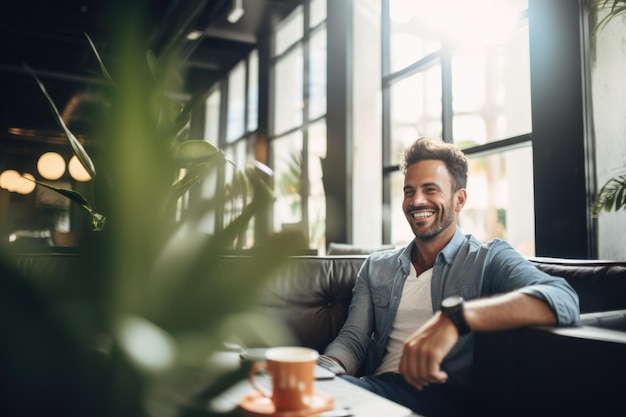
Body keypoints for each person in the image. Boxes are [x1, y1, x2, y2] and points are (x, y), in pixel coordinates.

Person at [320, 137, 580, 416]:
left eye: (430, 189)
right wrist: (319, 374)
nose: (417, 200)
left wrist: (455, 319)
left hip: (442, 397)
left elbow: (563, 299)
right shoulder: (376, 267)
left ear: (459, 200)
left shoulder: (488, 258)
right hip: (375, 389)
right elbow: (352, 340)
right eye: (410, 191)